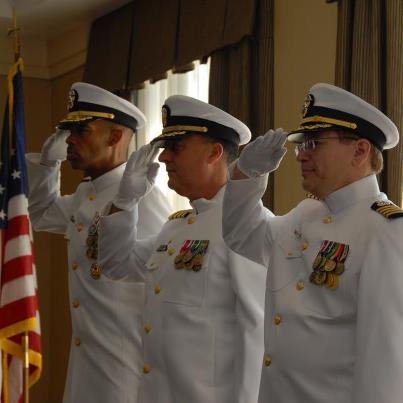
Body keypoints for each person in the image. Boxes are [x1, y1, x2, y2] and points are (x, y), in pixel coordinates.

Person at [221, 82, 403, 402]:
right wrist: (246, 173)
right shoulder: (305, 215)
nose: (301, 155)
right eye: (301, 144)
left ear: (360, 150)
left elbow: (384, 365)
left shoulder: (386, 231)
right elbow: (241, 232)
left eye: (314, 143)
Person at [97, 95, 266, 403]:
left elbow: (255, 337)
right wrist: (124, 202)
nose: (163, 159)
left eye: (176, 147)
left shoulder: (248, 228)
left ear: (215, 153)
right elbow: (114, 264)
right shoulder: (176, 227)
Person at [26, 82, 171, 403]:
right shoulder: (86, 194)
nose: (71, 142)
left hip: (126, 362)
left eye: (82, 131)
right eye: (69, 133)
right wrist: (48, 165)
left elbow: (160, 277)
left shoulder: (141, 197)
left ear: (116, 137)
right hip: (87, 357)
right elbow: (40, 215)